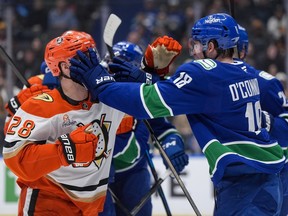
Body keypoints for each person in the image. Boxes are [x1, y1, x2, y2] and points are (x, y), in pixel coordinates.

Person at [69, 13, 285, 215]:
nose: (193, 52)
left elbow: (142, 104)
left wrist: (100, 83)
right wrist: (145, 79)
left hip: (245, 188)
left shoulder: (204, 73)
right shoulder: (245, 71)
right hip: (263, 181)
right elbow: (196, 95)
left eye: (197, 44)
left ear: (211, 46)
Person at [3, 30, 125, 216]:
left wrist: (151, 73)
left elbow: (143, 112)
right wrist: (65, 151)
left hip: (89, 206)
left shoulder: (111, 99)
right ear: (64, 67)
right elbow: (14, 157)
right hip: (48, 202)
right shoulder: (39, 106)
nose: (93, 63)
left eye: (93, 55)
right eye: (83, 58)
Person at [100, 41, 188, 216]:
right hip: (98, 174)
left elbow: (162, 129)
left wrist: (172, 146)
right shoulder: (95, 92)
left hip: (135, 173)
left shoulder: (142, 95)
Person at [237, 25, 288, 216]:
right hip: (234, 180)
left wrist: (268, 121)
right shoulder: (210, 84)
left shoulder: (264, 84)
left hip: (272, 175)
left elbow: (286, 126)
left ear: (242, 51)